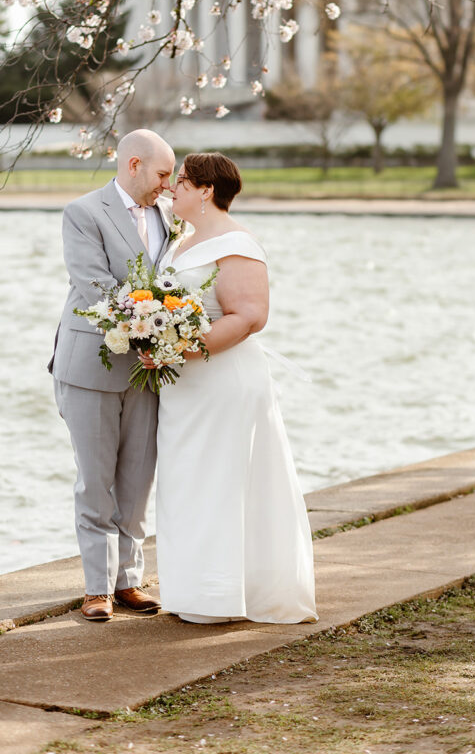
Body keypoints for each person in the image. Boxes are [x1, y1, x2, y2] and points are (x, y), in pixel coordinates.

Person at [150, 152, 317, 624]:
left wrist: (181, 350)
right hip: (185, 388)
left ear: (206, 190)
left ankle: (220, 597)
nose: (172, 188)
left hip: (223, 381)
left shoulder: (236, 242)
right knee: (187, 482)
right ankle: (193, 591)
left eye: (181, 181)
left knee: (220, 482)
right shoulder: (182, 242)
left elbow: (249, 317)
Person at [49, 129, 175, 622]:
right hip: (90, 368)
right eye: (163, 174)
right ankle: (96, 587)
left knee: (137, 480)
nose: (167, 184)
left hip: (147, 372)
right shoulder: (83, 213)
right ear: (134, 164)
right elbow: (95, 284)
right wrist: (154, 323)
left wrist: (169, 335)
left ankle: (129, 580)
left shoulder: (167, 217)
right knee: (95, 481)